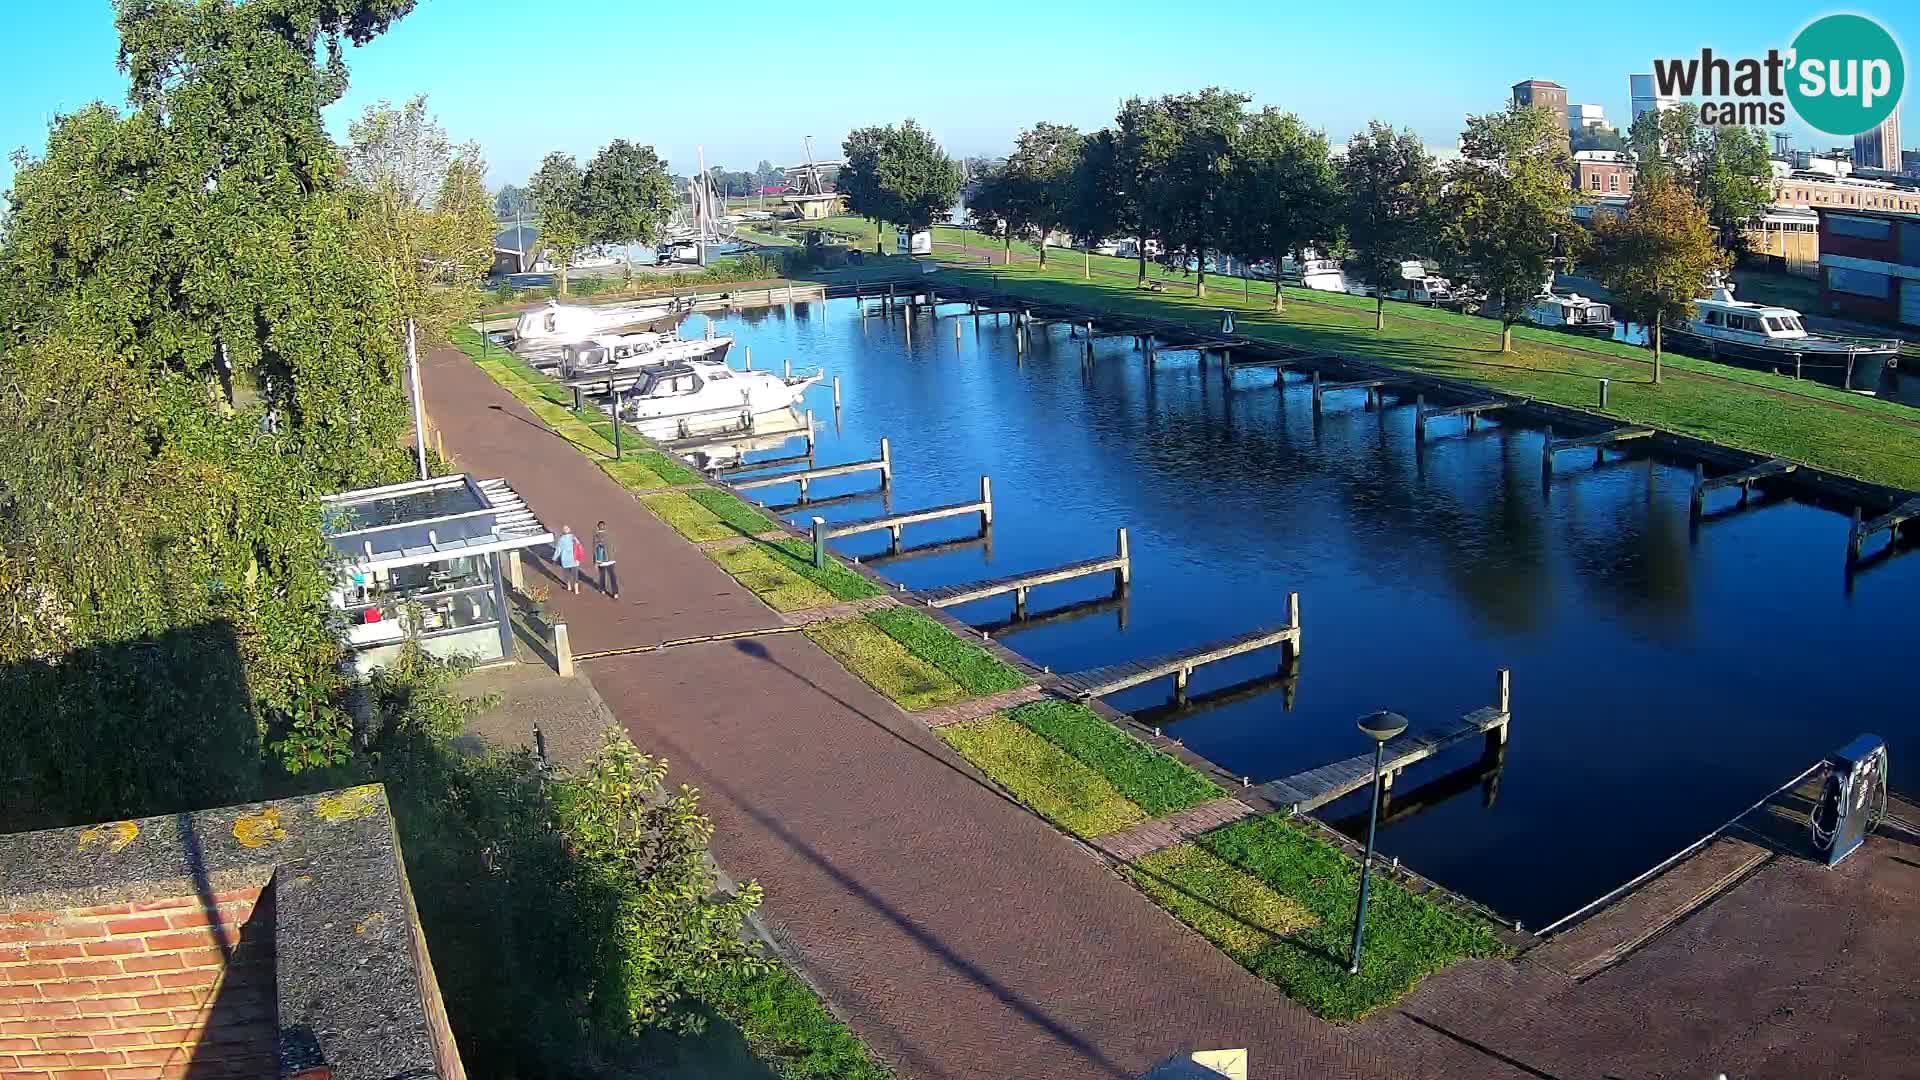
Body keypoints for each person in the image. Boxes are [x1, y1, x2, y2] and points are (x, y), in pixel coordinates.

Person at [592, 520, 619, 600]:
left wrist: (595, 561)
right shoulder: (610, 535)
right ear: (605, 526)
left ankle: (603, 589)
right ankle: (615, 593)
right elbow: (614, 547)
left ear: (598, 527)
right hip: (611, 560)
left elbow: (595, 549)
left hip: (602, 561)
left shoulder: (596, 536)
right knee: (612, 576)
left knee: (602, 575)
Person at [553, 525, 582, 595]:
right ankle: (576, 590)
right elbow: (579, 547)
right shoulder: (573, 538)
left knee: (567, 574)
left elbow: (558, 550)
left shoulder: (561, 539)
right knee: (575, 576)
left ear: (563, 532)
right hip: (574, 560)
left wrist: (554, 559)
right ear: (569, 530)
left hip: (565, 560)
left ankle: (568, 587)